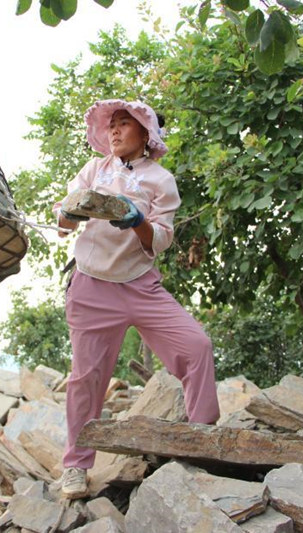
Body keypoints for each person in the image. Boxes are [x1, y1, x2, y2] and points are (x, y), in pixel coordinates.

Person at [52, 99, 221, 499]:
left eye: (124, 124)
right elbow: (61, 215)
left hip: (141, 285)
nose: (114, 131)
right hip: (91, 286)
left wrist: (137, 220)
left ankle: (203, 444)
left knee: (197, 347)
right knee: (86, 379)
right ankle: (76, 467)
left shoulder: (161, 180)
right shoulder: (94, 170)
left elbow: (161, 238)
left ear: (146, 134)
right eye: (111, 125)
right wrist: (73, 211)